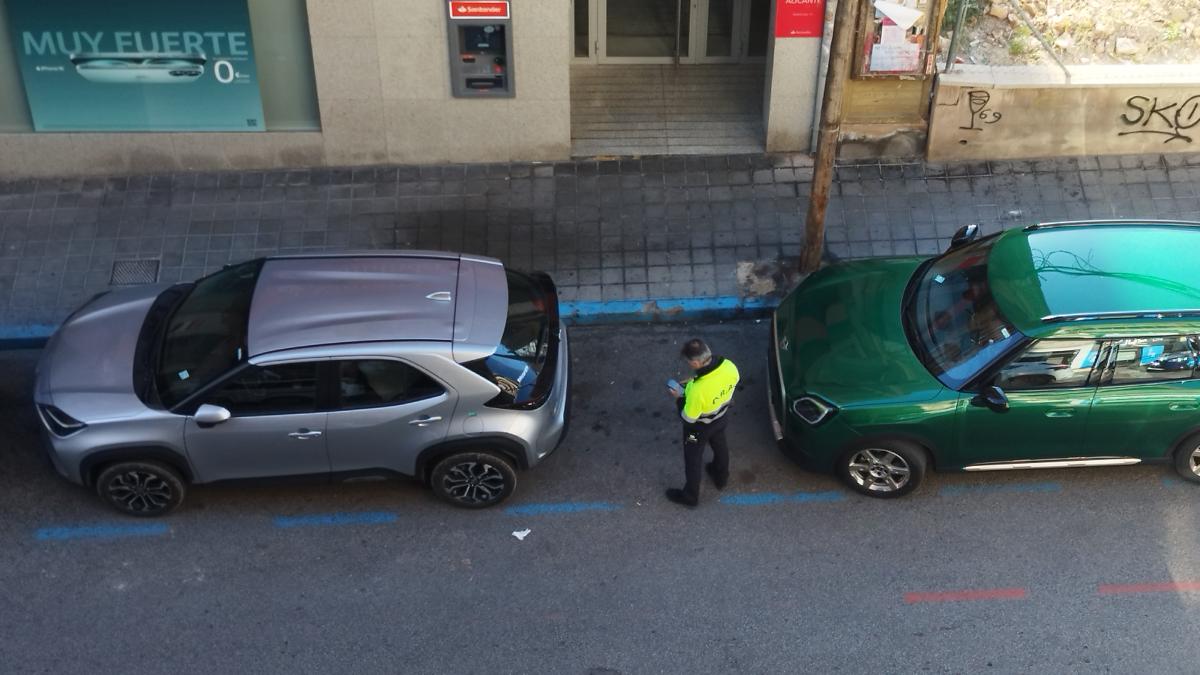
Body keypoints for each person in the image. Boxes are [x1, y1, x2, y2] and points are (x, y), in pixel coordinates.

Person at [666, 338, 740, 507]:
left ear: (696, 363)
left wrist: (679, 398)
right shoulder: (730, 366)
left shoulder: (697, 391)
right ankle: (721, 477)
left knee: (693, 458)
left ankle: (690, 496)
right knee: (720, 446)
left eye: (689, 363)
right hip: (721, 419)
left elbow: (688, 418)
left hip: (697, 431)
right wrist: (694, 381)